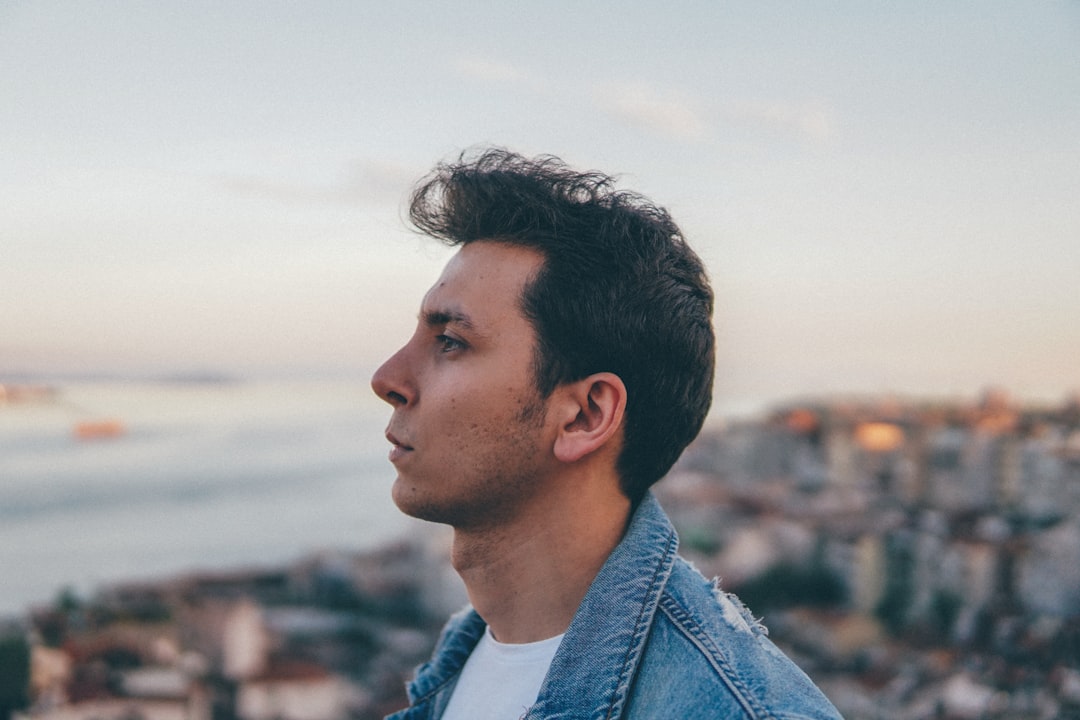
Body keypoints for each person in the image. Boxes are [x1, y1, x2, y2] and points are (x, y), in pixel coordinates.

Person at [371, 148, 842, 719]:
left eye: (451, 341)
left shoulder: (732, 709)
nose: (387, 379)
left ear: (586, 416)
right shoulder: (465, 653)